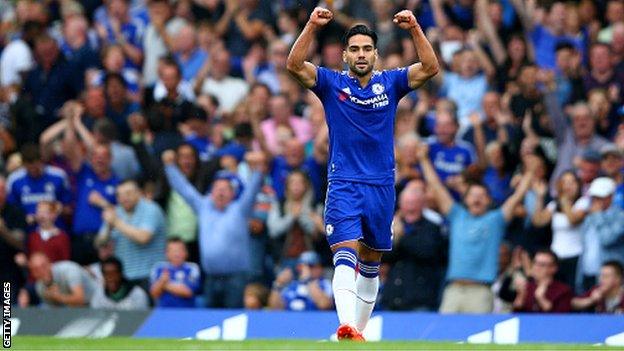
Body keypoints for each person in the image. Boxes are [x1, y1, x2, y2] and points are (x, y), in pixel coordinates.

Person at [286, 7, 439, 340]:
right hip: (344, 184)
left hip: (382, 186)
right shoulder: (331, 83)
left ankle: (354, 334)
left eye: (366, 48)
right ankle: (345, 326)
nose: (360, 54)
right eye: (354, 49)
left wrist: (415, 28)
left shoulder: (392, 82)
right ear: (344, 55)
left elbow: (430, 67)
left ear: (376, 54)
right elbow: (294, 65)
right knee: (345, 252)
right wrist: (311, 25)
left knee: (371, 262)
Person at [417, 142, 537, 313]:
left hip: (481, 291)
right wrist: (423, 159)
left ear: (489, 200)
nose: (477, 199)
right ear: (465, 200)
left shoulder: (495, 220)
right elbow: (436, 186)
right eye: (472, 195)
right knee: (442, 336)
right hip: (453, 290)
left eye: (482, 196)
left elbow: (517, 196)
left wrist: (531, 171)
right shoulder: (457, 215)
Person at [163, 150, 266, 308]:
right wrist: (170, 166)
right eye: (217, 188)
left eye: (225, 189)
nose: (220, 192)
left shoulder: (240, 209)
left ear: (233, 193)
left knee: (232, 321)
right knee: (210, 323)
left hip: (236, 278)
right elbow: (184, 189)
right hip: (211, 277)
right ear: (211, 192)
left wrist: (259, 168)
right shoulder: (204, 207)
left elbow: (252, 190)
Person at [96, 180, 167, 290]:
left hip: (150, 276)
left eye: (128, 193)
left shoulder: (151, 209)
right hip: (124, 277)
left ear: (138, 193)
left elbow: (143, 237)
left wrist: (116, 222)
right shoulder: (116, 212)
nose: (124, 198)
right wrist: (108, 229)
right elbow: (99, 244)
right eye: (120, 195)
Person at [268, 251, 333, 311]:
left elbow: (325, 305)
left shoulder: (325, 284)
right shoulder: (291, 285)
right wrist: (278, 284)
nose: (306, 269)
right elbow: (275, 309)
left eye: (312, 266)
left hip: (314, 321)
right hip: (290, 321)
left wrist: (308, 281)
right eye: (302, 266)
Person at [28, 252, 97, 307]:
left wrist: (58, 297)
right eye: (36, 269)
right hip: (73, 308)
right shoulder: (40, 287)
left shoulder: (69, 270)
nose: (41, 271)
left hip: (96, 298)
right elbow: (55, 311)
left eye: (44, 266)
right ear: (32, 273)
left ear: (50, 264)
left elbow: (80, 299)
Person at [150, 237, 201, 308]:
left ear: (186, 252)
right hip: (164, 313)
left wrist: (163, 283)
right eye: (173, 251)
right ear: (166, 253)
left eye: (179, 250)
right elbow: (154, 293)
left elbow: (188, 292)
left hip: (187, 312)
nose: (176, 254)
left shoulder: (192, 267)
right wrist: (162, 282)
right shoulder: (158, 267)